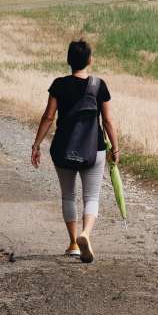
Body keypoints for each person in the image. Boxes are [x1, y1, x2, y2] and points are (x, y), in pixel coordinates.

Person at [31, 39, 120, 263]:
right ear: (89, 60)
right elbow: (108, 121)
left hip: (63, 148)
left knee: (68, 195)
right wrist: (115, 148)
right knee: (91, 196)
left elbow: (48, 117)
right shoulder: (99, 85)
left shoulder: (58, 84)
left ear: (69, 61)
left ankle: (73, 243)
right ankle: (85, 234)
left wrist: (36, 144)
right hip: (94, 149)